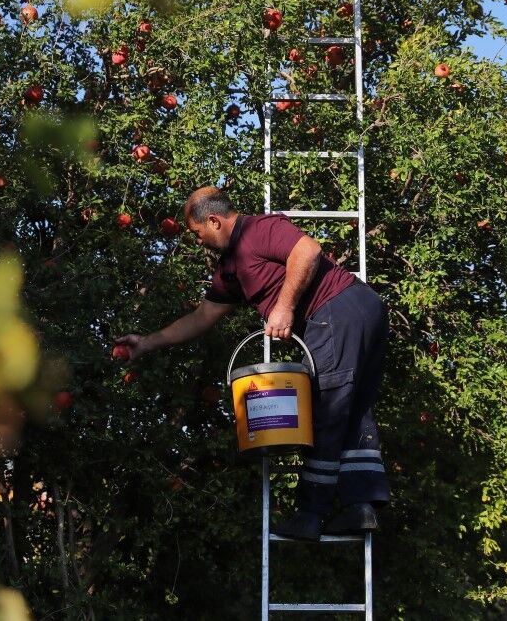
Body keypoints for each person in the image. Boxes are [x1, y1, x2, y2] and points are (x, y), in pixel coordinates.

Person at [114, 187, 389, 540]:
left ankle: (310, 514)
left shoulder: (258, 230)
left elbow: (307, 250)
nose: (198, 242)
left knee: (326, 409)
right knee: (352, 408)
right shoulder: (230, 270)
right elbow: (201, 317)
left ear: (214, 221)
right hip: (361, 312)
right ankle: (359, 506)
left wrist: (284, 307)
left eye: (197, 233)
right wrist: (146, 342)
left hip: (337, 309)